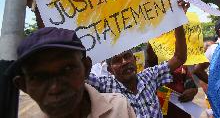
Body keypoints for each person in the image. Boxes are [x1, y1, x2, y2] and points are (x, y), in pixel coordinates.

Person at [7, 27, 136, 118]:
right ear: (23, 85)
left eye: (67, 70)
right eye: (38, 77)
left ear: (86, 68)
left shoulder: (119, 107)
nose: (55, 88)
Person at [88, 16, 188, 118]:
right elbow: (77, 76)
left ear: (135, 60)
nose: (124, 62)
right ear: (110, 70)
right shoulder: (105, 85)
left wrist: (178, 20)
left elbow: (179, 58)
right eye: (117, 60)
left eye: (127, 56)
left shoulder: (149, 76)